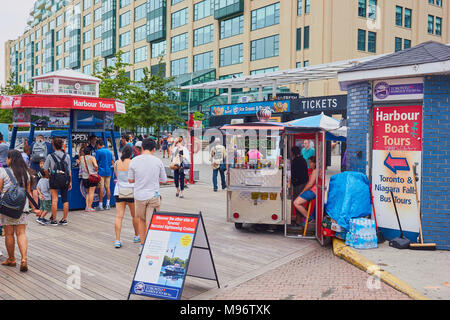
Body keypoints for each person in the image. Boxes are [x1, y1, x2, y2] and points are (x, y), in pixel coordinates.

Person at [0, 150, 36, 272]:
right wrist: (34, 207)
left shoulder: (3, 171)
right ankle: (24, 259)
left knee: (9, 234)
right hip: (22, 207)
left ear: (10, 159)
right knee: (21, 233)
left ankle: (11, 259)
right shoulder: (26, 173)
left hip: (7, 207)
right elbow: (28, 192)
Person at [128, 138, 167, 249]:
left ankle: (142, 245)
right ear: (154, 149)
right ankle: (152, 245)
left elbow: (130, 180)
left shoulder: (134, 161)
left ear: (142, 148)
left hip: (139, 195)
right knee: (153, 221)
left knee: (141, 220)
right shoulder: (158, 161)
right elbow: (164, 179)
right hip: (153, 196)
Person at [113, 145, 140, 248]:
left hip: (119, 191)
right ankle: (136, 235)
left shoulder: (116, 163)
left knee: (119, 216)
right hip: (132, 191)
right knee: (134, 216)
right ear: (131, 153)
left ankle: (117, 240)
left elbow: (116, 175)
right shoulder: (133, 163)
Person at [43, 138, 72, 226]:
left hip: (54, 179)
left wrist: (49, 176)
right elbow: (69, 171)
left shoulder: (50, 156)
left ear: (53, 146)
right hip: (65, 179)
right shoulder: (67, 156)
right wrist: (70, 182)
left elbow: (44, 169)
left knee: (55, 199)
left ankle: (54, 220)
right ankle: (64, 219)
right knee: (65, 199)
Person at [293, 156, 317, 226]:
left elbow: (310, 184)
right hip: (314, 190)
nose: (309, 164)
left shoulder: (315, 171)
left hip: (313, 191)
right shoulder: (315, 171)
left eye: (310, 162)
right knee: (300, 202)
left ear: (314, 163)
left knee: (296, 203)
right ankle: (307, 217)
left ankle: (309, 218)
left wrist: (302, 191)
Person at [290, 146, 309, 220]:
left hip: (298, 184)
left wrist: (292, 182)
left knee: (297, 202)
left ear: (293, 152)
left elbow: (294, 173)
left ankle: (299, 220)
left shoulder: (296, 161)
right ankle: (300, 220)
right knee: (300, 202)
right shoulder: (303, 159)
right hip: (303, 183)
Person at [96, 139, 113, 211]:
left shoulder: (98, 151)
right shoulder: (109, 151)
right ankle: (108, 204)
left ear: (99, 145)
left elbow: (96, 162)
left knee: (101, 188)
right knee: (108, 188)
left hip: (101, 172)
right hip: (108, 171)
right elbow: (112, 162)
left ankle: (100, 205)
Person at [80, 147, 99, 212]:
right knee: (91, 192)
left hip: (84, 177)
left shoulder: (81, 158)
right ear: (90, 152)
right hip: (92, 177)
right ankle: (90, 207)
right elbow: (96, 166)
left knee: (87, 193)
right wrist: (95, 170)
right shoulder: (92, 158)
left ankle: (86, 207)